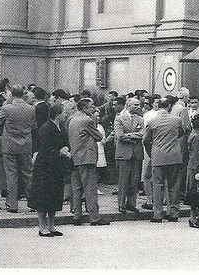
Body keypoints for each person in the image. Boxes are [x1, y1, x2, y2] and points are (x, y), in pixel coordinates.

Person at [28, 101, 72, 237]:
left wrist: (65, 149)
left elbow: (65, 142)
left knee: (54, 196)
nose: (66, 114)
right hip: (45, 168)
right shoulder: (46, 128)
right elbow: (45, 148)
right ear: (57, 114)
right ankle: (42, 227)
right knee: (43, 197)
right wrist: (60, 151)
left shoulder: (61, 128)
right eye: (64, 112)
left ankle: (51, 225)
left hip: (56, 168)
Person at [68, 98, 109, 226]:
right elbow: (99, 136)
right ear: (84, 108)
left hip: (74, 157)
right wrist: (95, 121)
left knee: (77, 188)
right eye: (91, 107)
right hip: (87, 157)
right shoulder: (87, 120)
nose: (94, 109)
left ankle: (77, 215)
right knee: (90, 188)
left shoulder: (72, 119)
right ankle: (94, 217)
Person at [143, 97, 185, 223]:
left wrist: (151, 151)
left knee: (157, 185)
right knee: (174, 185)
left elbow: (146, 140)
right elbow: (182, 133)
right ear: (169, 107)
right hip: (174, 156)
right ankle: (173, 212)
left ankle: (158, 214)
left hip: (158, 155)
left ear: (158, 106)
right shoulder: (177, 120)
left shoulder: (152, 121)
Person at [0, 85, 36, 213]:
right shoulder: (31, 109)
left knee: (11, 175)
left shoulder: (6, 108)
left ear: (12, 94)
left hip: (9, 144)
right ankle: (33, 202)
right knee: (27, 174)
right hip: (25, 144)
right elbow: (34, 125)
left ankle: (12, 204)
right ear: (23, 95)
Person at [114, 98, 144, 213]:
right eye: (135, 105)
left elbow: (143, 134)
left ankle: (131, 203)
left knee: (134, 180)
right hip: (124, 153)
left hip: (136, 153)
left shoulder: (140, 119)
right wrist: (134, 137)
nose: (138, 107)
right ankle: (121, 204)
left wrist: (129, 135)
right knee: (123, 180)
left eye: (138, 105)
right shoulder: (119, 119)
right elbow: (120, 135)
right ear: (128, 105)